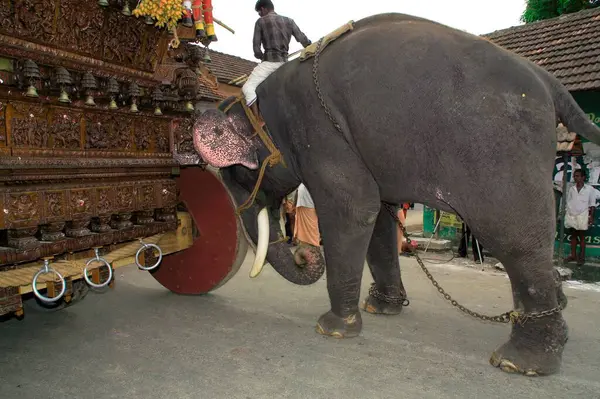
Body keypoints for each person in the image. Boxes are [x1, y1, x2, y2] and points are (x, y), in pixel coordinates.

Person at [242, 0, 312, 124]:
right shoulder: (289, 21)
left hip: (269, 63)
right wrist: (310, 45)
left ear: (263, 9)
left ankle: (258, 120)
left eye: (259, 12)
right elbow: (303, 40)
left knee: (248, 87)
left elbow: (256, 50)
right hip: (285, 63)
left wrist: (262, 56)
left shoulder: (260, 22)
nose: (259, 15)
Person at [564, 168, 597, 265]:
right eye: (574, 176)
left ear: (583, 177)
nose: (575, 178)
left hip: (583, 215)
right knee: (574, 235)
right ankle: (573, 255)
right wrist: (567, 212)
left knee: (582, 236)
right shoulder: (572, 189)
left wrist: (591, 217)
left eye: (578, 176)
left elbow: (592, 204)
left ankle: (581, 257)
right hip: (572, 214)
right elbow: (568, 201)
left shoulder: (590, 189)